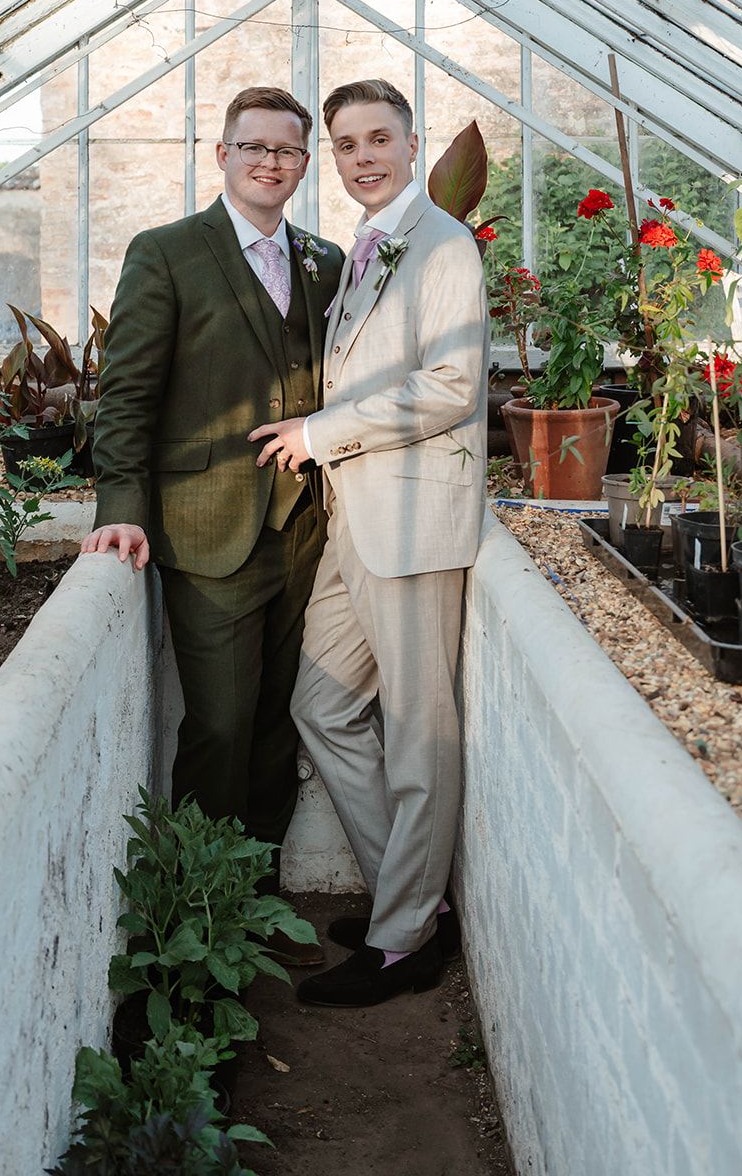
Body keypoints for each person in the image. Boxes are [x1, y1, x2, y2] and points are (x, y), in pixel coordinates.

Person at [81, 85, 343, 961]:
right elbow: (126, 395)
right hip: (207, 525)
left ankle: (256, 905)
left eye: (287, 151)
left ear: (304, 164)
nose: (270, 162)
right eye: (253, 147)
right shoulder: (166, 253)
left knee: (276, 722)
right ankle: (196, 914)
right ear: (221, 154)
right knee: (221, 725)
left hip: (305, 526)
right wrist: (120, 509)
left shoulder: (325, 259)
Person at [249, 78, 489, 1006]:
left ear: (410, 139)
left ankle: (400, 944)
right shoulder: (368, 246)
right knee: (323, 703)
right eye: (345, 145)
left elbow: (449, 387)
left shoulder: (442, 243)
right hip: (359, 519)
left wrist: (317, 434)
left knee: (420, 729)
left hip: (414, 521)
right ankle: (413, 905)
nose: (362, 158)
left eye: (378, 139)